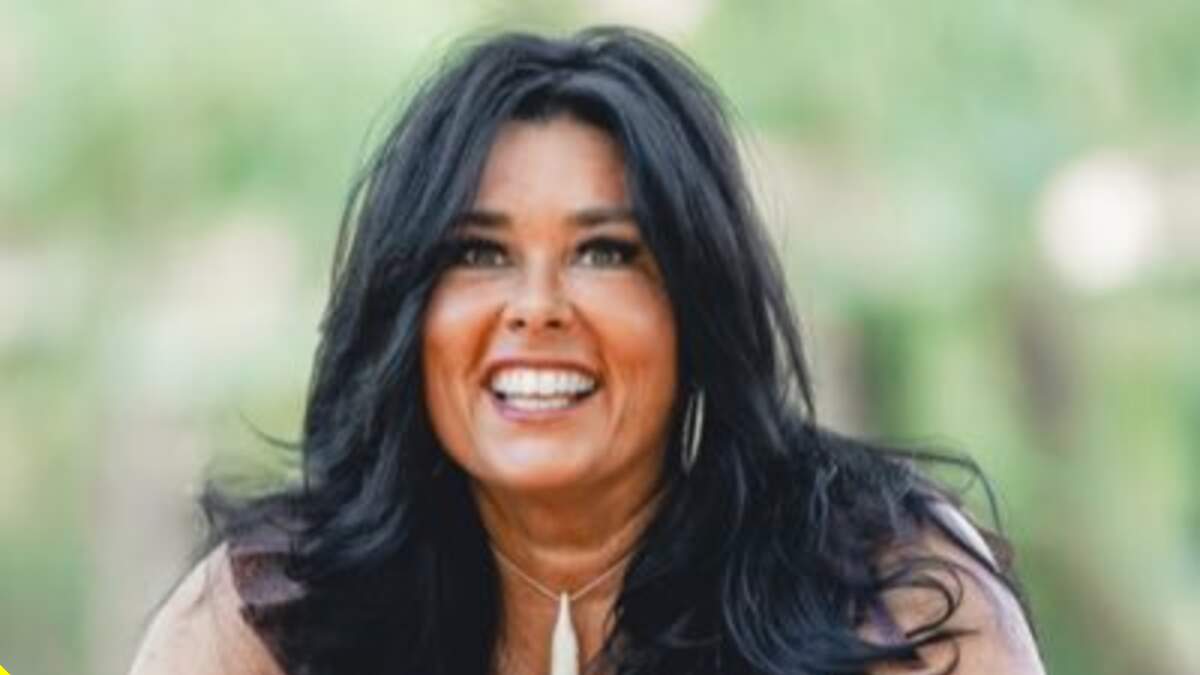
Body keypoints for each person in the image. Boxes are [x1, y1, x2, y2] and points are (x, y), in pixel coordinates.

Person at [128, 26, 1045, 675]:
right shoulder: (276, 616)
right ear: (410, 310)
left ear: (696, 306)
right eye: (478, 253)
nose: (536, 308)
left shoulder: (884, 593)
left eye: (605, 253)